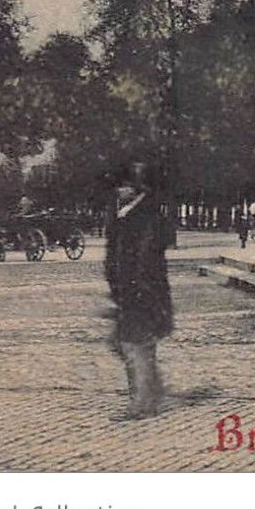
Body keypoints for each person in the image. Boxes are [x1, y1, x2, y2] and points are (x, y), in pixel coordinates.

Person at [105, 162, 175, 418]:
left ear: (136, 188)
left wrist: (135, 293)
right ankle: (151, 393)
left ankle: (142, 403)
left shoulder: (144, 217)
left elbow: (145, 261)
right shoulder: (130, 213)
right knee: (132, 343)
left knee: (133, 344)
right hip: (132, 292)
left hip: (141, 292)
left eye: (123, 186)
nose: (118, 191)